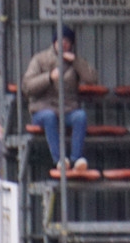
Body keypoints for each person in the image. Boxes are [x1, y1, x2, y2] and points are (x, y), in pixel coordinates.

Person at [22, 25, 98, 171]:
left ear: (71, 45)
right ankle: (60, 160)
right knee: (50, 117)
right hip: (42, 110)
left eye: (67, 41)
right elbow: (27, 87)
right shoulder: (40, 59)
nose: (64, 44)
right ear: (54, 42)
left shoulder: (75, 61)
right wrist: (49, 77)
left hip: (67, 109)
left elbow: (92, 78)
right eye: (61, 40)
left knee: (80, 116)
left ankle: (76, 160)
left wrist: (76, 61)